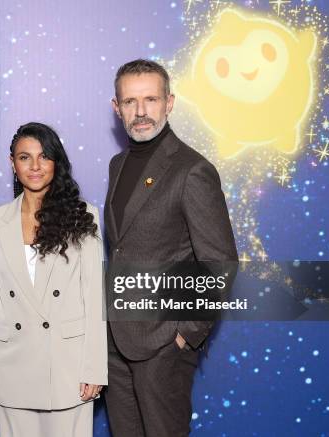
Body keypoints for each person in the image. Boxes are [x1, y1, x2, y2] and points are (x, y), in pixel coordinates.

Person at [104, 59, 238, 436]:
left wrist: (184, 336)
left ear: (170, 102)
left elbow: (220, 263)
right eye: (130, 102)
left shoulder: (192, 170)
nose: (141, 111)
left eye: (150, 99)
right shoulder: (118, 164)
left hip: (163, 345)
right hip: (115, 340)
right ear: (117, 108)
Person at [0, 122, 107, 437]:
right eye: (24, 157)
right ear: (12, 163)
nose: (35, 166)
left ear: (56, 162)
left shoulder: (83, 215)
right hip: (13, 365)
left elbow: (95, 297)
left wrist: (94, 367)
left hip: (68, 368)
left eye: (44, 156)